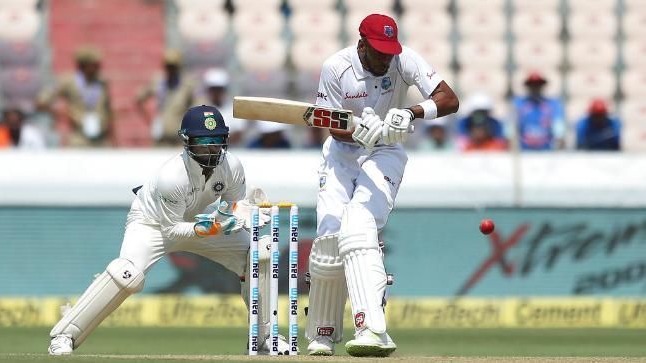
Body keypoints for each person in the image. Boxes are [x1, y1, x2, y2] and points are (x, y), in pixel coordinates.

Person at [47, 105, 289, 356]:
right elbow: (172, 230)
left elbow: (232, 208)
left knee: (258, 255)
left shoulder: (233, 166)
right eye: (203, 142)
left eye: (216, 141)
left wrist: (242, 215)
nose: (211, 149)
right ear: (187, 142)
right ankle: (64, 335)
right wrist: (216, 225)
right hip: (153, 224)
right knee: (126, 274)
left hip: (200, 221)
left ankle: (264, 337)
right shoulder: (171, 176)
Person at [305, 14, 459, 357]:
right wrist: (358, 128)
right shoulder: (336, 67)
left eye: (390, 52)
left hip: (387, 150)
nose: (386, 59)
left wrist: (412, 112)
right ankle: (322, 333)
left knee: (358, 227)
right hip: (343, 151)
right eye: (379, 52)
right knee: (330, 237)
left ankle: (373, 329)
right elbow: (329, 122)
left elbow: (450, 99)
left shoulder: (404, 59)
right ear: (361, 45)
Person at [37, 46, 113, 147]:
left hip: (101, 138)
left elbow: (108, 110)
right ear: (84, 65)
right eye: (95, 64)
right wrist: (61, 113)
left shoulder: (101, 82)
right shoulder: (67, 81)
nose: (99, 67)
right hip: (79, 137)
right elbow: (41, 102)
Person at [136, 49, 197, 146]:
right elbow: (138, 99)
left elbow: (197, 107)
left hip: (180, 138)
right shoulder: (158, 82)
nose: (171, 70)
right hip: (161, 137)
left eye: (173, 66)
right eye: (168, 66)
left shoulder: (186, 85)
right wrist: (151, 120)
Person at [512, 71, 565, 151]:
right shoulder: (519, 104)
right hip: (524, 150)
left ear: (542, 86)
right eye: (532, 85)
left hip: (546, 150)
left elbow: (558, 126)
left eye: (538, 85)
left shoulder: (553, 104)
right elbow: (511, 127)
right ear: (527, 86)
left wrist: (559, 139)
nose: (535, 88)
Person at [199, 68, 247, 146]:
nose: (216, 92)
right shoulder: (199, 109)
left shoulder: (234, 109)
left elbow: (238, 135)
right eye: (213, 89)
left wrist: (215, 141)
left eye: (219, 89)